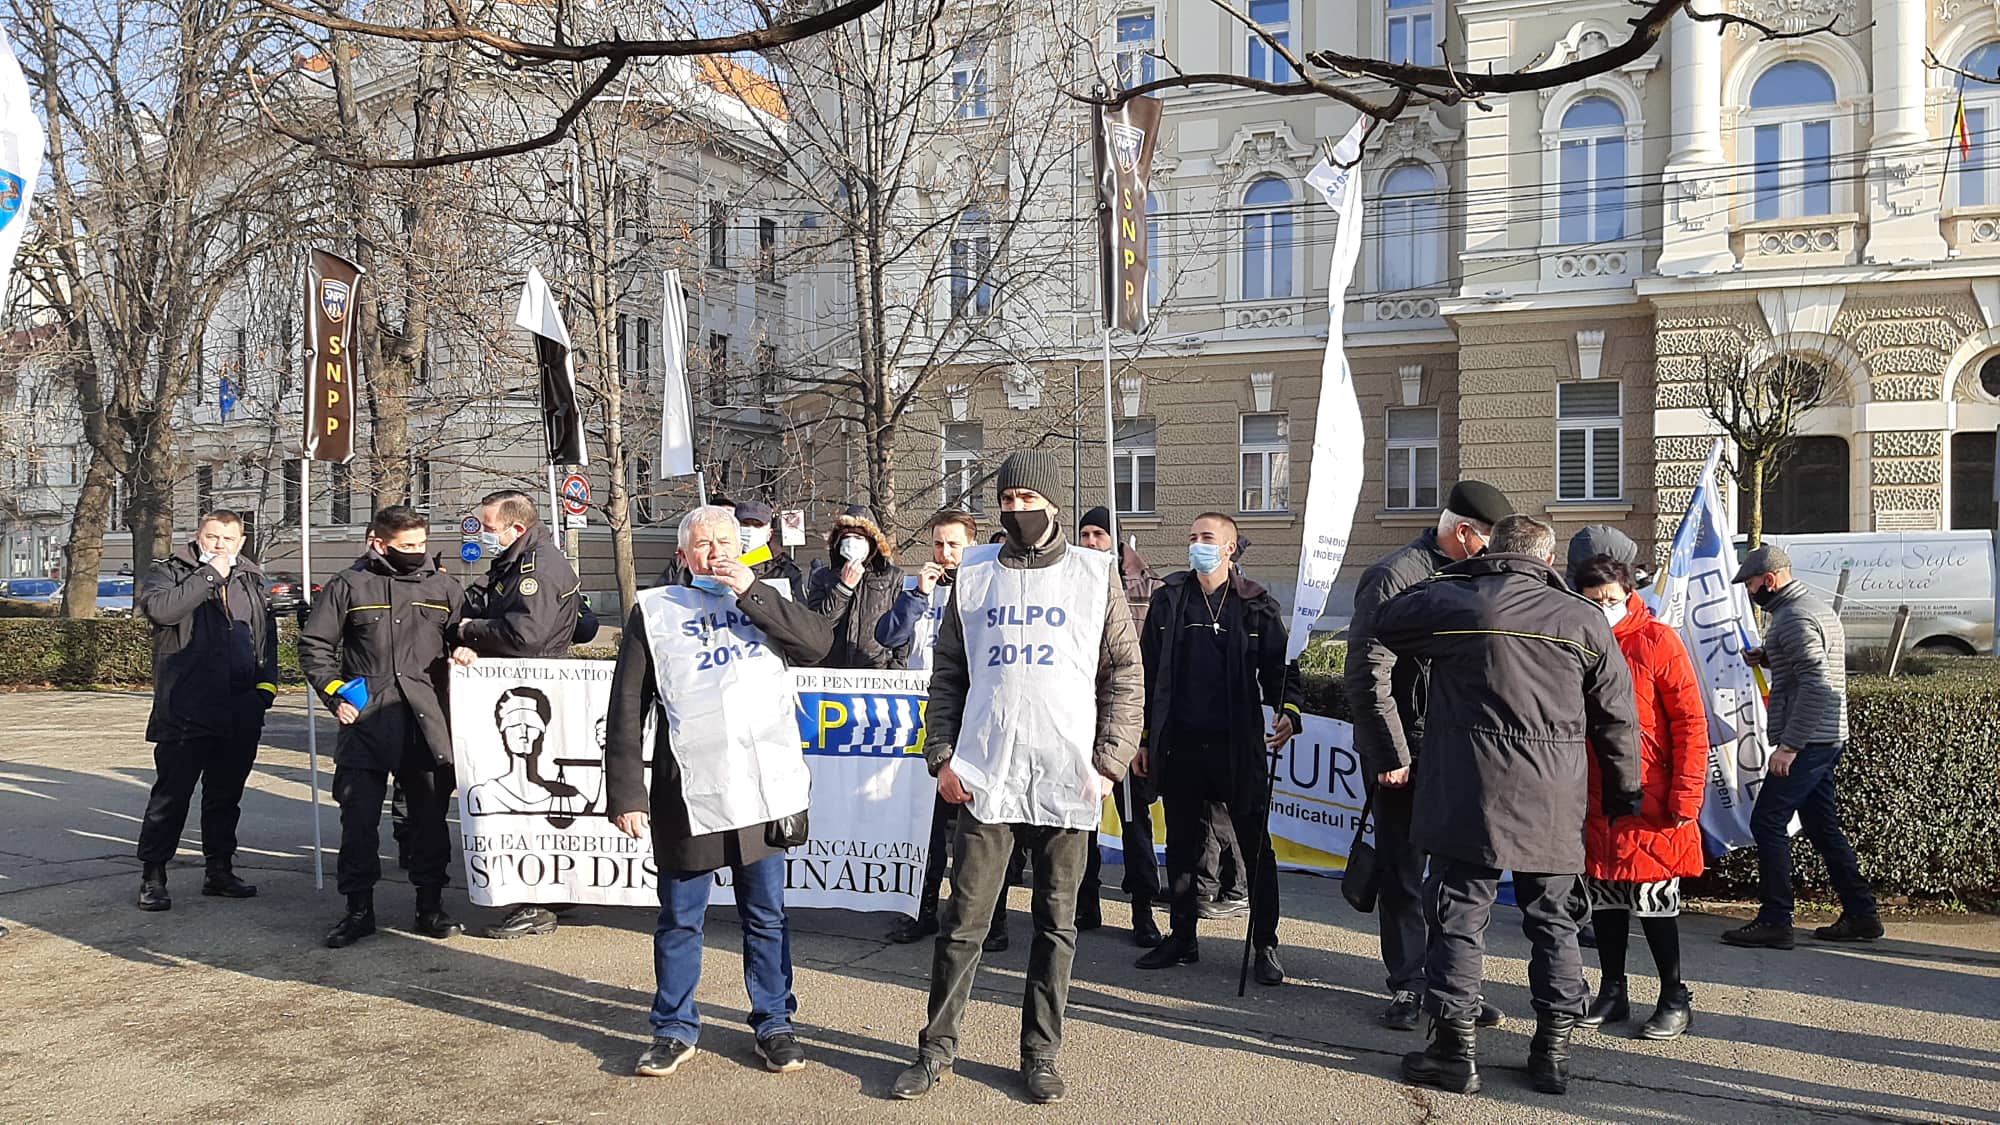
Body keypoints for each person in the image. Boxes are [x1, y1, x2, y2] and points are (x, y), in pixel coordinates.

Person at [891, 450, 1143, 1105]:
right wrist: (941, 754)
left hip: (1067, 777)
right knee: (963, 922)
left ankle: (1040, 1053)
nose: (1015, 510)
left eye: (1027, 498)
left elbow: (1124, 673)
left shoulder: (1094, 574)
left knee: (1056, 925)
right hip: (985, 775)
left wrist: (1110, 759)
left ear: (1053, 502)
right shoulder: (974, 573)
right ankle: (935, 1049)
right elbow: (948, 672)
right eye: (1006, 500)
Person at [1374, 515, 1643, 1097]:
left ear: (1493, 550)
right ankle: (1552, 1052)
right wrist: (1626, 792)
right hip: (1553, 793)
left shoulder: (1463, 602)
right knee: (1555, 921)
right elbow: (1618, 716)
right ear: (1549, 561)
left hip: (1467, 790)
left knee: (1458, 918)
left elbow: (1389, 616)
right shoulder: (1583, 617)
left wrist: (1468, 568)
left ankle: (1454, 1050)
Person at [605, 504, 833, 1078]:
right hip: (689, 791)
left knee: (767, 915)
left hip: (763, 793)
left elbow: (817, 645)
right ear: (684, 556)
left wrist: (752, 592)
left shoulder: (768, 597)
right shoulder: (655, 612)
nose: (717, 555)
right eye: (704, 546)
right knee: (682, 918)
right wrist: (627, 795)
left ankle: (775, 1023)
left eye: (726, 543)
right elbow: (628, 707)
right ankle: (673, 1027)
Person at [1343, 481, 1513, 1029]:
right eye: (1486, 540)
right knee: (1404, 871)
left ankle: (1451, 983)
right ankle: (1411, 981)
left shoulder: (1476, 574)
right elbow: (1370, 672)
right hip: (1406, 750)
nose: (1492, 553)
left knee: (1455, 874)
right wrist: (1391, 751)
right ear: (1463, 533)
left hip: (1459, 748)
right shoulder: (1396, 575)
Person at [1131, 512, 1302, 985]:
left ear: (1229, 548)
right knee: (1182, 845)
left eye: (1206, 538)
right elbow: (1144, 679)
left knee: (1254, 846)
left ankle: (1264, 943)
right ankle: (1182, 936)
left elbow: (1281, 670)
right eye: (1191, 538)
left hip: (1237, 745)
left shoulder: (1255, 605)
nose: (1196, 545)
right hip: (1180, 744)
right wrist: (1143, 739)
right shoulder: (1169, 601)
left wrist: (1289, 711)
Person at [298, 505, 468, 948]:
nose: (418, 553)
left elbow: (463, 637)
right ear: (379, 543)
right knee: (358, 822)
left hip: (426, 721)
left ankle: (429, 906)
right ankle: (358, 909)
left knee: (429, 823)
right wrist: (335, 694)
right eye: (407, 546)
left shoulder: (444, 585)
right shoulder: (348, 585)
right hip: (366, 722)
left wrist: (468, 652)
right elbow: (316, 646)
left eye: (422, 544)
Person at [1569, 555, 1707, 1039]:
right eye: (1594, 600)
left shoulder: (1658, 640)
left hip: (1652, 796)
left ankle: (1674, 996)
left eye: (1611, 598)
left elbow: (1691, 722)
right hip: (1597, 794)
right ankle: (1613, 990)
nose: (1604, 607)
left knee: (1654, 901)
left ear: (1629, 594)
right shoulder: (1579, 642)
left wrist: (1687, 798)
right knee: (1606, 899)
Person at [1722, 544, 1881, 949]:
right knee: (1821, 825)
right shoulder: (1811, 607)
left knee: (1767, 822)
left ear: (1770, 580)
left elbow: (1815, 684)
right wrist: (1770, 655)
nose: (1750, 591)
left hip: (1809, 739)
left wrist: (1790, 746)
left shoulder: (1792, 618)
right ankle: (1861, 913)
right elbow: (1814, 663)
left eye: (1752, 584)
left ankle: (1776, 919)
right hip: (1827, 736)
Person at [452, 489, 585, 940]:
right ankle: (548, 891)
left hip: (534, 686)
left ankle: (537, 900)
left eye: (489, 528)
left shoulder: (538, 569)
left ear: (517, 528)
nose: (484, 535)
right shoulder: (516, 560)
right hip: (522, 683)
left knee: (531, 800)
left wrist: (471, 630)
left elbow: (525, 635)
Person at [134, 509, 279, 911]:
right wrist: (209, 574)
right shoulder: (170, 572)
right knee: (171, 795)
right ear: (198, 536)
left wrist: (264, 688)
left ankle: (219, 869)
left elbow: (265, 636)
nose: (220, 546)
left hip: (239, 707)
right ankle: (153, 875)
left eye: (228, 540)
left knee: (225, 796)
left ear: (241, 540)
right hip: (185, 705)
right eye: (213, 537)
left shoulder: (251, 577)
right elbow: (163, 611)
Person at [877, 511, 1010, 950]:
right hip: (924, 723)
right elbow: (888, 637)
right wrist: (918, 595)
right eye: (938, 544)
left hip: (971, 719)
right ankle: (923, 910)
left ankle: (991, 918)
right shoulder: (919, 591)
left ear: (970, 546)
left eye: (953, 545)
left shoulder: (986, 586)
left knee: (980, 827)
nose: (944, 553)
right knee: (926, 828)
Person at [1071, 507, 1162, 945]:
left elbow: (1147, 665)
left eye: (1098, 534)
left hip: (1123, 720)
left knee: (1133, 821)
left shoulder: (1147, 589)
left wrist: (1141, 733)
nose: (1090, 542)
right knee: (1082, 818)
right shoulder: (1069, 581)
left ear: (1117, 541)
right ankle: (1085, 901)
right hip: (1080, 716)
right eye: (1085, 534)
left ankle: (1143, 909)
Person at [805, 505, 909, 668]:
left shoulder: (892, 576)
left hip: (876, 671)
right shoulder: (823, 576)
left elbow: (901, 628)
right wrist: (844, 588)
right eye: (847, 538)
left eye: (859, 538)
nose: (852, 543)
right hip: (832, 671)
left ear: (872, 542)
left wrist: (897, 667)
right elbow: (818, 627)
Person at [732, 499, 806, 600]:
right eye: (745, 524)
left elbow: (799, 611)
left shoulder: (784, 569)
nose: (750, 529)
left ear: (769, 534)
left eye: (758, 525)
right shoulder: (719, 564)